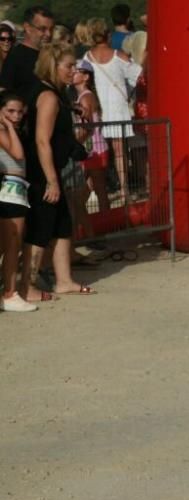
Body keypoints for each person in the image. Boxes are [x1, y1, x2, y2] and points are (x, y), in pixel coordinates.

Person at [23, 43, 95, 299]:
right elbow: (42, 140)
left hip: (51, 168)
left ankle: (64, 280)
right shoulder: (49, 96)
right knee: (40, 229)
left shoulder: (56, 94)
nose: (72, 70)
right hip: (43, 172)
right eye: (68, 66)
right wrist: (52, 181)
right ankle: (27, 285)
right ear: (54, 66)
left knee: (62, 225)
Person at [82, 18, 142, 198]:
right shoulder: (119, 56)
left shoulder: (86, 57)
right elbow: (137, 75)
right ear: (108, 35)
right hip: (117, 107)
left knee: (95, 150)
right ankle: (124, 188)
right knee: (119, 152)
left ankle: (94, 188)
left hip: (96, 106)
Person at [0, 91, 35, 312]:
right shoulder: (4, 130)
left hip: (16, 189)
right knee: (11, 243)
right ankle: (10, 292)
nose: (16, 115)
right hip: (8, 189)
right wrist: (10, 126)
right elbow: (18, 154)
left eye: (20, 112)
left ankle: (9, 292)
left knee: (11, 243)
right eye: (10, 111)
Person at [72, 59, 109, 213]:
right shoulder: (83, 96)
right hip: (92, 150)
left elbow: (88, 127)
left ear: (86, 76)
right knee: (86, 192)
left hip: (94, 150)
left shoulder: (86, 97)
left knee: (99, 190)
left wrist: (72, 143)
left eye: (77, 70)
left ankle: (107, 226)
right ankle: (91, 228)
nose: (72, 72)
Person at [0, 6, 54, 96]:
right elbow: (4, 94)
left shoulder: (52, 56)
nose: (48, 34)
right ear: (27, 27)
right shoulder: (15, 58)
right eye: (42, 29)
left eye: (51, 29)